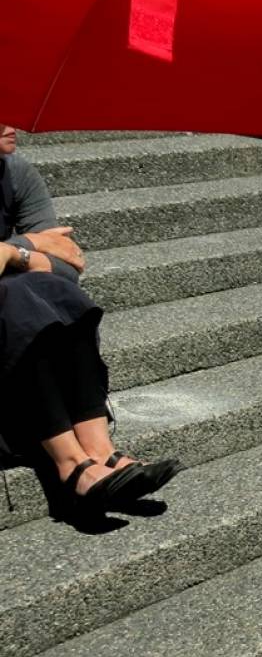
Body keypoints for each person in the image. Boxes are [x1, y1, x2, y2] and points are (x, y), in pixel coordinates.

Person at [0, 123, 178, 518]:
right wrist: (32, 244)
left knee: (58, 294)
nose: (11, 125)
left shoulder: (15, 170)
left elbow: (66, 266)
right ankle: (70, 466)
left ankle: (98, 450)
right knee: (16, 297)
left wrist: (15, 251)